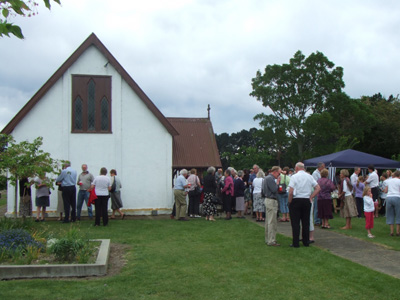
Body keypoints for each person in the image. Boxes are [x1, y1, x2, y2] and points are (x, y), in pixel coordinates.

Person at [288, 162, 320, 248]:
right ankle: (306, 241)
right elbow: (318, 188)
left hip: (296, 199)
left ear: (297, 168)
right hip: (306, 200)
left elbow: (291, 191)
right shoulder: (309, 176)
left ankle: (296, 242)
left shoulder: (294, 177)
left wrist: (290, 201)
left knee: (295, 222)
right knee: (306, 222)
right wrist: (311, 197)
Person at [262, 166, 281, 246]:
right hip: (271, 200)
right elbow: (274, 189)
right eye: (279, 173)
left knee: (268, 221)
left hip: (268, 199)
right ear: (275, 172)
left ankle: (268, 238)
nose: (279, 175)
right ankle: (271, 240)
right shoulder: (270, 178)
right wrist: (277, 183)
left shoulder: (266, 178)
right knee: (271, 221)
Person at [383, 170, 400, 236]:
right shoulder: (399, 181)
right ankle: (398, 231)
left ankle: (391, 231)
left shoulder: (389, 181)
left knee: (390, 214)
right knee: (398, 214)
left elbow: (385, 191)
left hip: (389, 197)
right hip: (397, 197)